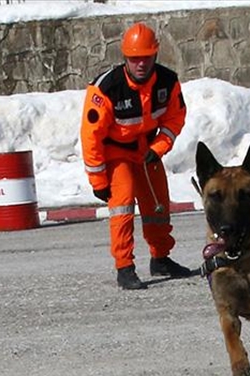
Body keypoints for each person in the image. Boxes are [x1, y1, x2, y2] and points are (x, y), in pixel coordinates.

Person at [81, 22, 195, 290]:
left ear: (155, 55)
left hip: (147, 150)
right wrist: (98, 181)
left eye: (146, 57)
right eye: (135, 59)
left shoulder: (168, 82)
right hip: (115, 152)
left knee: (158, 204)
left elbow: (175, 118)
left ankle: (161, 258)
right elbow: (91, 137)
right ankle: (125, 267)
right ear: (125, 59)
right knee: (122, 205)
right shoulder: (106, 89)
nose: (141, 64)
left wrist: (158, 148)